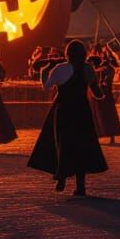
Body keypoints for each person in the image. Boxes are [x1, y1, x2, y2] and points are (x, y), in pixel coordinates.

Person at [28, 40, 108, 196]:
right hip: (82, 110)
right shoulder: (87, 69)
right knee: (81, 145)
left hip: (63, 109)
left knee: (62, 142)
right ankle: (80, 186)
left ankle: (61, 176)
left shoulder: (60, 69)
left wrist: (45, 71)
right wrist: (100, 87)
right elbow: (98, 94)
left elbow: (47, 86)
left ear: (67, 54)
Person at [89, 47, 120, 144]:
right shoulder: (99, 67)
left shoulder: (108, 68)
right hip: (98, 92)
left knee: (107, 114)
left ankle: (111, 134)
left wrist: (100, 83)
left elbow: (106, 81)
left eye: (104, 56)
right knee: (96, 114)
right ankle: (97, 134)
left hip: (105, 93)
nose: (102, 57)